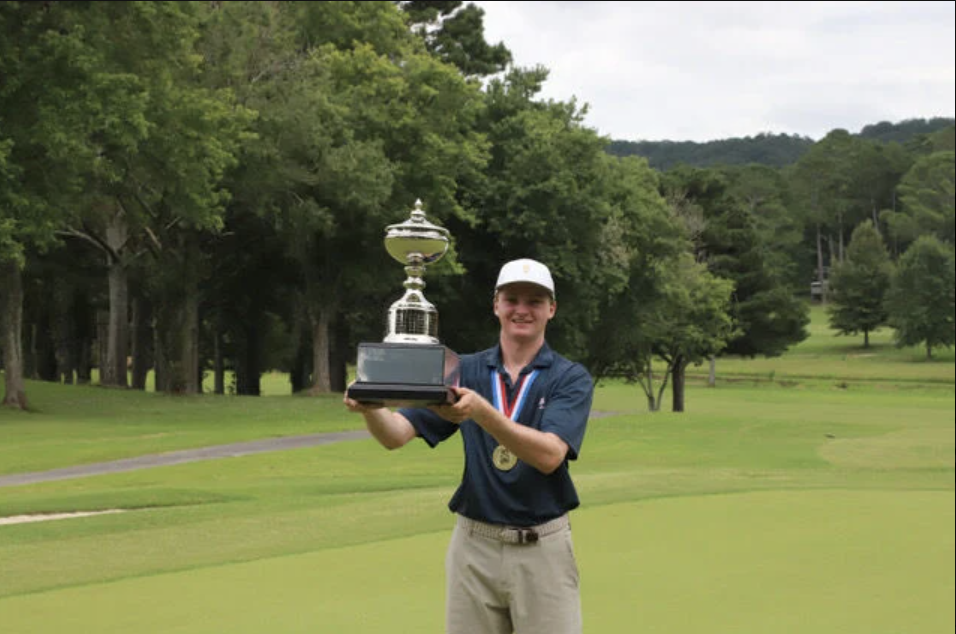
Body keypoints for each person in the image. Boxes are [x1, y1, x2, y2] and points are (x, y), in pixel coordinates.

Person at [344, 258, 594, 634]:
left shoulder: (569, 377)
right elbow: (395, 435)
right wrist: (371, 407)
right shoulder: (463, 369)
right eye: (512, 299)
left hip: (542, 547)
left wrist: (482, 411)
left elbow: (549, 455)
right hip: (474, 548)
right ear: (496, 304)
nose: (522, 310)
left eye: (535, 301)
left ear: (551, 309)